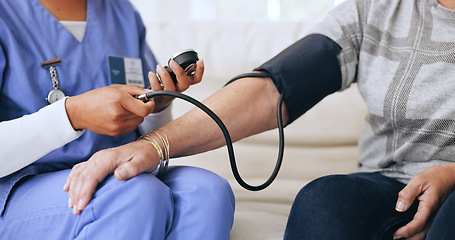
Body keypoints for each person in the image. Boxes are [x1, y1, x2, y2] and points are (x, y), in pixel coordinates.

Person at [61, 0, 455, 239]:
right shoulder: (377, 9)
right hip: (392, 186)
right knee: (323, 202)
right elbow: (274, 88)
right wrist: (152, 145)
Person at [0, 0, 234, 239]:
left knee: (208, 194)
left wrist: (157, 108)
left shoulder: (121, 12)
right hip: (19, 188)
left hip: (119, 168)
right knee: (134, 195)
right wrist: (72, 114)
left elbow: (142, 133)